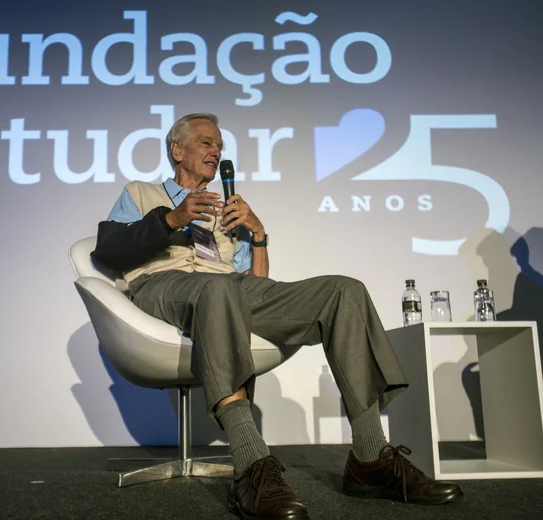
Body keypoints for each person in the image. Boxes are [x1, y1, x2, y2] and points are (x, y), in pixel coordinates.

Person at [93, 113, 463, 520]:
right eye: (205, 143)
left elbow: (257, 283)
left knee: (344, 291)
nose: (216, 151)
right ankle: (251, 464)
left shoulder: (224, 208)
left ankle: (370, 456)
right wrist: (172, 218)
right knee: (218, 290)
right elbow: (108, 250)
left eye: (220, 146)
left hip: (229, 288)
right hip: (165, 284)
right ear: (176, 150)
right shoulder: (141, 192)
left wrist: (258, 233)